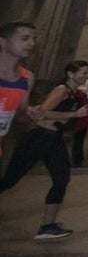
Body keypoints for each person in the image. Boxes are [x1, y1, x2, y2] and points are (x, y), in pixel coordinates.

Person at [0, 55, 88, 241]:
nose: (87, 76)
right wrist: (74, 114)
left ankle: (48, 226)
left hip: (53, 139)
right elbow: (41, 113)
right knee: (10, 180)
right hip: (39, 138)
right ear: (70, 74)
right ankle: (48, 226)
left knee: (62, 178)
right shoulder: (61, 90)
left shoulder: (74, 94)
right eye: (84, 73)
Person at [0, 22, 36, 160]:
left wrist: (30, 113)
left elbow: (19, 116)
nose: (31, 44)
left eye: (34, 39)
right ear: (3, 42)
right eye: (24, 39)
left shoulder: (27, 78)